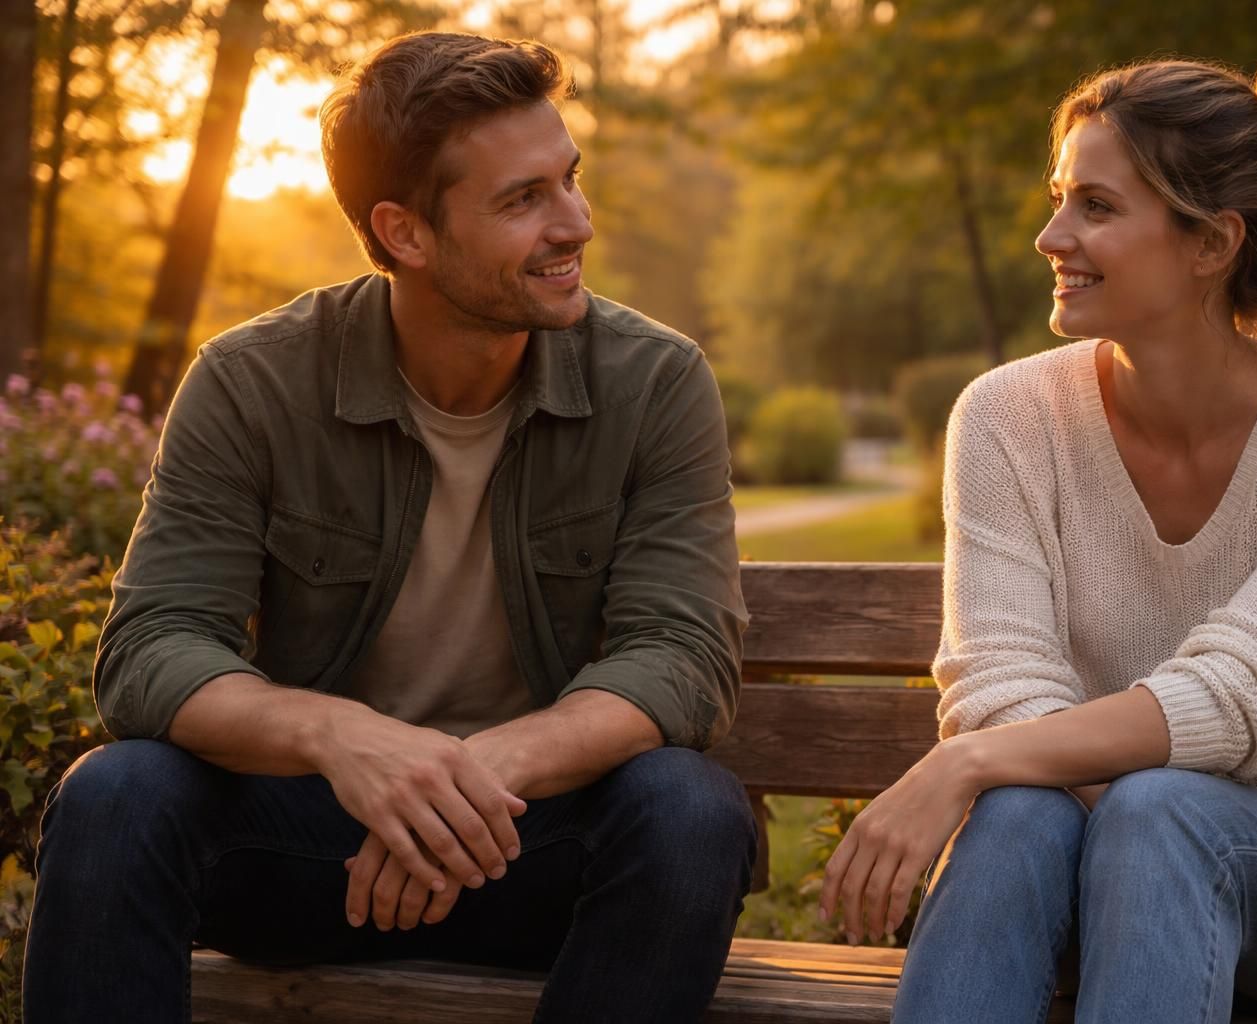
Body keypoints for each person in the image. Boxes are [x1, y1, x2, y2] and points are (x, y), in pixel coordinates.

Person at [24, 31, 755, 1024]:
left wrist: (470, 777)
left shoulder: (656, 381)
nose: (575, 223)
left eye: (569, 182)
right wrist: (344, 740)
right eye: (522, 199)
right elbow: (152, 650)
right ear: (404, 233)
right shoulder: (253, 380)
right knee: (116, 794)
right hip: (317, 854)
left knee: (690, 811)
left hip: (531, 848)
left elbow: (680, 656)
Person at [819, 59, 1257, 1022]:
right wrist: (998, 764)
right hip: (1117, 856)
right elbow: (1001, 687)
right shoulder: (1007, 416)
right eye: (1059, 199)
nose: (1052, 237)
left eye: (1096, 206)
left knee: (1142, 805)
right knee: (1026, 810)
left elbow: (1247, 697)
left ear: (1211, 243)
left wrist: (965, 764)